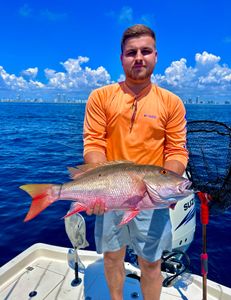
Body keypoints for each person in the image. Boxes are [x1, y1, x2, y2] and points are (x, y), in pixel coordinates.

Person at [83, 24, 188, 300]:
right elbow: (94, 143)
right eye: (131, 52)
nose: (139, 57)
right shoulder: (101, 97)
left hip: (152, 200)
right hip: (110, 193)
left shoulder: (172, 102)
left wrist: (170, 185)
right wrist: (96, 188)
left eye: (145, 51)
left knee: (152, 263)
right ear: (121, 58)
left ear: (155, 56)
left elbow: (177, 151)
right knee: (111, 257)